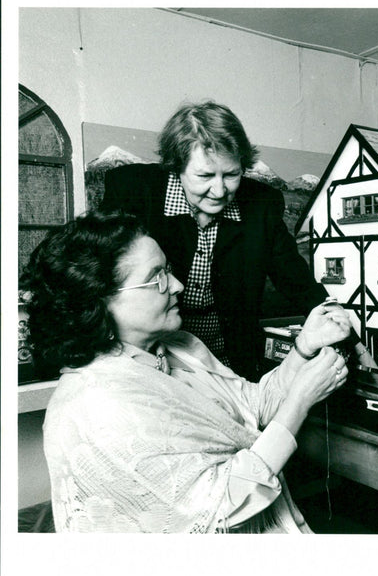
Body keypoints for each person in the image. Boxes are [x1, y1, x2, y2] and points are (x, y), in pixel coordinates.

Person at [24, 211, 352, 533]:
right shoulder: (98, 404)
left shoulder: (178, 346)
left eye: (169, 269)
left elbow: (253, 408)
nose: (178, 285)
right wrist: (300, 401)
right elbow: (218, 509)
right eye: (157, 278)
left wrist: (303, 348)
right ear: (98, 301)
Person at [100, 100, 374, 381]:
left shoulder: (261, 204)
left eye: (231, 175)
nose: (219, 190)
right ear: (176, 167)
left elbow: (297, 282)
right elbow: (99, 278)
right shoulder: (132, 192)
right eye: (205, 176)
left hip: (229, 353)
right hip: (150, 355)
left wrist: (354, 343)